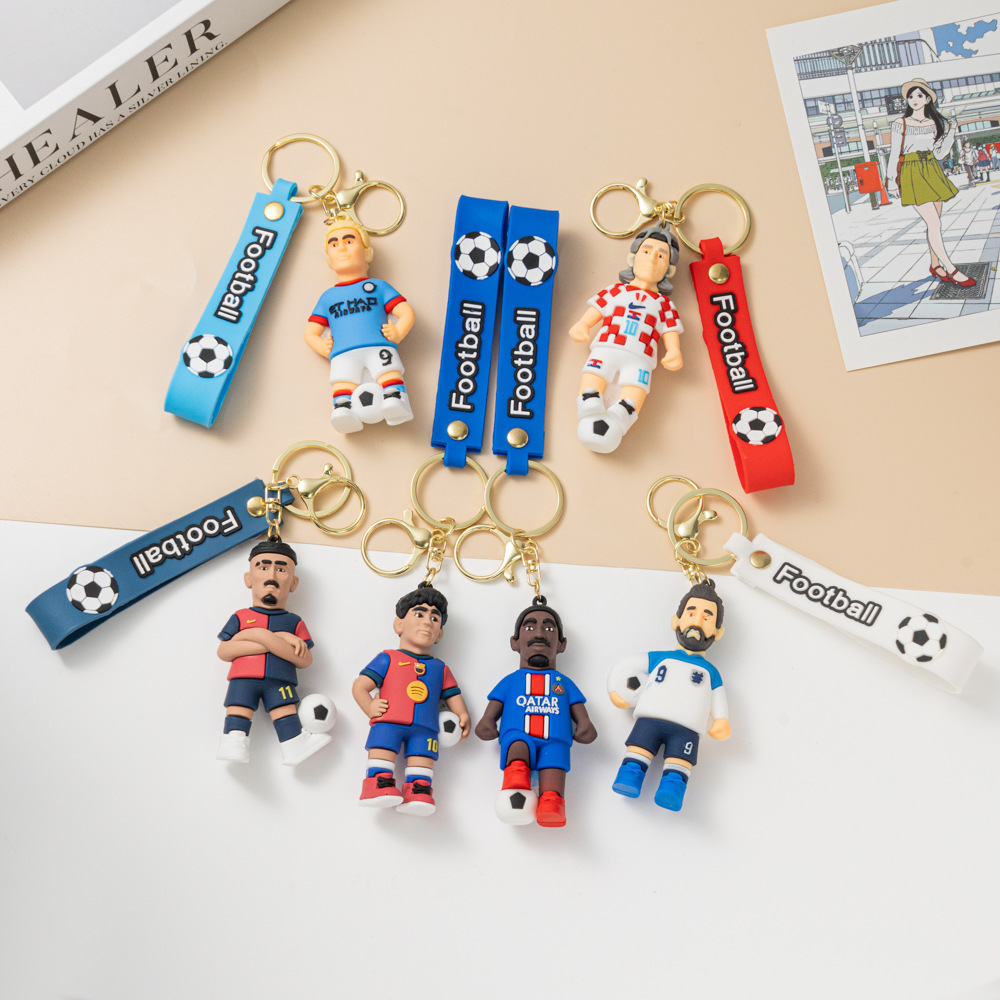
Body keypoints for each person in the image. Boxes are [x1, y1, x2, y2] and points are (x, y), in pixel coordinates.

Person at [607, 581, 730, 812]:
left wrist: (721, 720)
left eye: (706, 617)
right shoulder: (659, 658)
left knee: (679, 764)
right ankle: (629, 775)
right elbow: (625, 666)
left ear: (718, 632)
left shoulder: (710, 672)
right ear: (676, 620)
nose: (696, 622)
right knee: (638, 752)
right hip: (649, 720)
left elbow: (718, 696)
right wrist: (615, 691)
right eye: (691, 613)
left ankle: (673, 788)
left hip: (687, 729)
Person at [475, 601, 597, 827]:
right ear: (514, 642)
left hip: (556, 741)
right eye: (529, 628)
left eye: (549, 628)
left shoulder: (564, 683)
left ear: (561, 644)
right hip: (519, 734)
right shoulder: (511, 681)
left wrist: (585, 723)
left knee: (554, 767)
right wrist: (487, 720)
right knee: (517, 745)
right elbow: (495, 705)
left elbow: (578, 709)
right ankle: (516, 773)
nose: (539, 634)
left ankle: (552, 802)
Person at [352, 585, 470, 816]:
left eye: (434, 618)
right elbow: (360, 686)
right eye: (419, 614)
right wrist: (370, 706)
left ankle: (419, 791)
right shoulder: (387, 658)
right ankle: (376, 785)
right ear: (399, 624)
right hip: (389, 721)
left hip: (425, 727)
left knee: (423, 758)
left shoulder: (440, 668)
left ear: (439, 634)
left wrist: (462, 714)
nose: (427, 622)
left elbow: (452, 694)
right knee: (383, 749)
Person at [568, 225, 683, 454]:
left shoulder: (664, 305)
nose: (652, 259)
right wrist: (583, 324)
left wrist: (674, 351)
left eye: (661, 256)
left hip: (641, 357)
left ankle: (622, 416)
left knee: (636, 387)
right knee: (594, 373)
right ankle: (589, 404)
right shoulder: (616, 291)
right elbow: (596, 310)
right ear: (633, 258)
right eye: (647, 251)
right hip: (607, 346)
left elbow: (670, 330)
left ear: (669, 270)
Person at [216, 539, 331, 766]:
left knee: (285, 710)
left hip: (280, 680)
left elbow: (305, 660)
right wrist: (279, 639)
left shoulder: (294, 622)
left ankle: (294, 746)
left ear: (293, 583)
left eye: (281, 569)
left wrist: (255, 636)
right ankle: (232, 743)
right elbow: (224, 650)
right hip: (243, 678)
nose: (272, 576)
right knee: (239, 706)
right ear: (248, 578)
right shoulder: (240, 617)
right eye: (263, 567)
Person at [303, 216, 416, 432]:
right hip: (342, 353)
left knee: (387, 371)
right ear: (329, 260)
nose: (341, 248)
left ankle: (396, 400)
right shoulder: (328, 297)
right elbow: (310, 333)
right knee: (343, 380)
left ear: (367, 253)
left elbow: (406, 312)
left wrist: (398, 332)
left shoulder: (378, 286)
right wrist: (323, 348)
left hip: (378, 345)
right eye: (334, 244)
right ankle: (343, 411)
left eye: (349, 241)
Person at [886, 79, 974, 288]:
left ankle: (935, 265)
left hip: (932, 170)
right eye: (910, 96)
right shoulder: (900, 123)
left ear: (927, 99)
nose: (914, 100)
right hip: (912, 172)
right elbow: (894, 152)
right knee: (934, 224)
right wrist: (891, 181)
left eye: (919, 95)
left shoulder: (934, 123)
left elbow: (940, 153)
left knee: (933, 223)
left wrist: (951, 132)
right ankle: (952, 269)